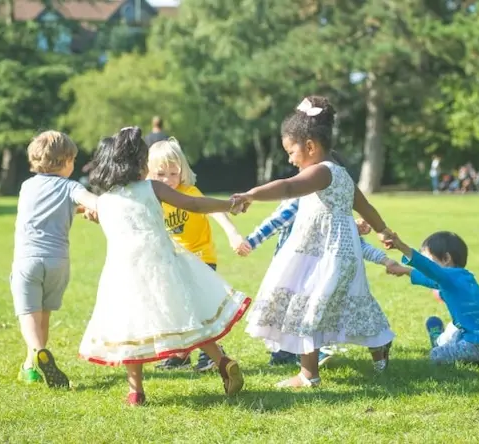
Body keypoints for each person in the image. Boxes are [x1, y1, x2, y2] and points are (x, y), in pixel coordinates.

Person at [78, 127, 250, 405]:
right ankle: (222, 361)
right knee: (188, 314)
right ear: (138, 164)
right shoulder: (151, 188)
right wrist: (229, 205)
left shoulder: (105, 201)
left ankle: (136, 391)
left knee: (130, 327)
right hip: (163, 264)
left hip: (123, 272)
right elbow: (193, 204)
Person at [232, 96, 396, 388]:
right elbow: (366, 207)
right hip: (343, 253)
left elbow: (288, 186)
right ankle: (379, 350)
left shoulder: (320, 172)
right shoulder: (342, 174)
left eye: (291, 151)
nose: (290, 159)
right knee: (351, 302)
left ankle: (309, 374)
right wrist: (383, 230)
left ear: (310, 146)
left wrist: (252, 194)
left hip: (323, 254)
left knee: (308, 304)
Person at [240, 201, 395, 367]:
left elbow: (354, 242)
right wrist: (250, 242)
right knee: (285, 311)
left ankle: (314, 352)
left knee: (312, 310)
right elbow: (277, 220)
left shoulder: (333, 202)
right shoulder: (301, 198)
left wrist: (382, 258)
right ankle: (285, 354)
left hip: (320, 269)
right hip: (292, 268)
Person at [145, 138, 248, 372]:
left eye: (174, 173)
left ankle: (212, 355)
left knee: (198, 308)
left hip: (201, 258)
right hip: (173, 262)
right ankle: (180, 356)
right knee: (176, 307)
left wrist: (232, 233)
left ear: (183, 171)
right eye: (161, 174)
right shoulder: (152, 198)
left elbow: (214, 211)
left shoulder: (189, 192)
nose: (168, 180)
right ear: (148, 172)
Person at [10, 131, 99, 388]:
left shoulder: (27, 186)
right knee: (44, 314)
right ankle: (31, 365)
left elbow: (45, 205)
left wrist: (81, 208)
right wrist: (94, 209)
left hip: (28, 260)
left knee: (28, 313)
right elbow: (92, 202)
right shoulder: (71, 186)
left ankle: (37, 350)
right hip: (58, 261)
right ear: (68, 160)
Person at [384, 230, 479, 364]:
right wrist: (405, 270)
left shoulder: (447, 277)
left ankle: (437, 341)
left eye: (429, 260)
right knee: (453, 329)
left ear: (446, 259)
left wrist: (401, 247)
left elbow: (427, 268)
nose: (428, 268)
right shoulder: (462, 276)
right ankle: (441, 340)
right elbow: (428, 279)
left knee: (436, 355)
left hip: (474, 345)